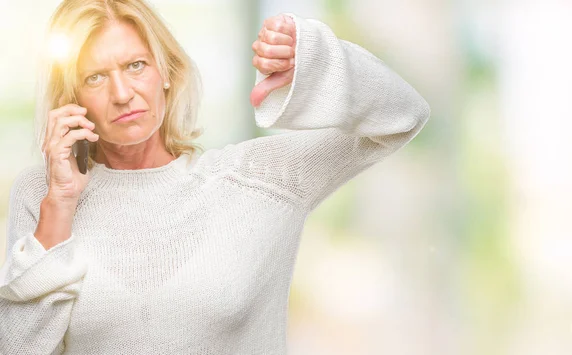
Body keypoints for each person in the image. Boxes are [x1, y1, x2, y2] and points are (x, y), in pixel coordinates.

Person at [0, 0, 430, 353]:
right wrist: (60, 203)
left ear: (166, 71)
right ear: (72, 99)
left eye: (135, 65)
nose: (121, 93)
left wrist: (316, 62)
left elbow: (403, 116)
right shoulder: (43, 194)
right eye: (95, 77)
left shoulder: (260, 179)